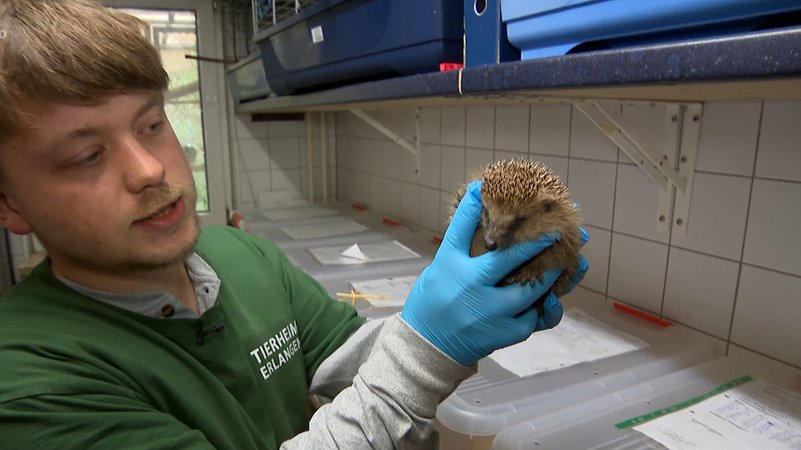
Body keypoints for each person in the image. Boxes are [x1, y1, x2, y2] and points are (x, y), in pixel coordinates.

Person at [0, 1, 589, 448]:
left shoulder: (238, 256)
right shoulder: (28, 388)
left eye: (153, 123)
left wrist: (450, 317)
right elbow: (401, 382)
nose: (150, 168)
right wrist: (429, 353)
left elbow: (343, 370)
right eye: (86, 156)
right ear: (9, 203)